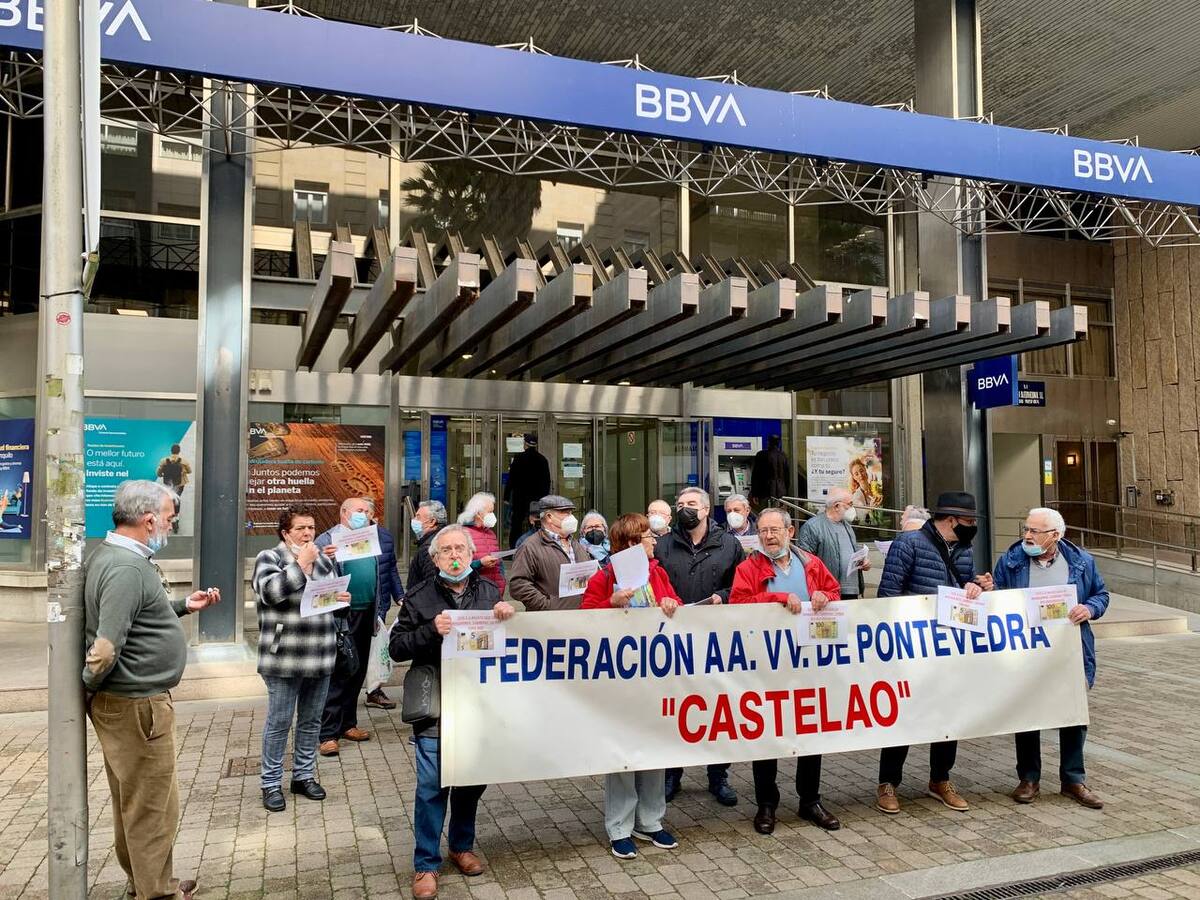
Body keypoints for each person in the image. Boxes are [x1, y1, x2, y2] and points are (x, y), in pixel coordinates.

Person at [82, 480, 220, 900]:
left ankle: (147, 883)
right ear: (148, 520)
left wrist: (180, 606)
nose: (170, 526)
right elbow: (105, 648)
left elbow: (136, 613)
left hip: (129, 703)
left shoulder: (115, 556)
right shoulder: (126, 566)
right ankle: (156, 893)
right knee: (153, 809)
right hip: (137, 706)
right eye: (170, 519)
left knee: (137, 803)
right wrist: (88, 688)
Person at [390, 524, 516, 900]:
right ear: (436, 558)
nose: (456, 555)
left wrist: (509, 616)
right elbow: (396, 648)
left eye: (461, 548)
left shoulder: (490, 591)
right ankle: (425, 864)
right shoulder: (418, 597)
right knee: (432, 786)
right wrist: (431, 630)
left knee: (471, 781)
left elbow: (504, 641)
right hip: (437, 706)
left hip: (477, 704)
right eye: (447, 550)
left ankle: (461, 846)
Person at [874, 490, 993, 815]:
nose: (972, 526)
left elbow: (964, 587)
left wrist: (975, 587)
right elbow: (888, 595)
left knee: (947, 714)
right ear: (951, 519)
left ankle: (940, 779)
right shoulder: (908, 543)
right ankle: (888, 783)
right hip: (912, 649)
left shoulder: (964, 549)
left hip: (948, 648)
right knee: (904, 715)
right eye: (969, 521)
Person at [729, 507, 842, 833]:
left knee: (811, 729)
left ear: (790, 532)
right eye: (763, 530)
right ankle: (766, 804)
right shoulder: (748, 568)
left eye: (775, 530)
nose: (768, 536)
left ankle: (810, 800)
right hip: (767, 664)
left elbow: (834, 592)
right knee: (767, 732)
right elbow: (737, 606)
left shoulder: (812, 563)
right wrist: (776, 596)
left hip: (809, 660)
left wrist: (824, 596)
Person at [993, 507, 1108, 809]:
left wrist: (1090, 609)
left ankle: (1073, 779)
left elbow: (1101, 595)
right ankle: (1029, 778)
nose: (1027, 536)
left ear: (1055, 535)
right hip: (1027, 652)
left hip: (1069, 652)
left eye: (1034, 531)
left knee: (1073, 715)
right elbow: (999, 599)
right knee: (1028, 714)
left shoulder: (1081, 561)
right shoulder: (1011, 561)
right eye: (1026, 529)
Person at [580, 513, 680, 859]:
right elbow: (585, 621)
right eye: (648, 536)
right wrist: (610, 604)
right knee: (622, 753)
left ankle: (650, 821)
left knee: (654, 748)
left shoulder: (659, 574)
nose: (655, 541)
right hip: (619, 682)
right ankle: (620, 826)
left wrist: (672, 604)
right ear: (632, 544)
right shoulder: (604, 577)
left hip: (655, 679)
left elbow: (675, 609)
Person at [252, 504, 344, 813]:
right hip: (284, 656)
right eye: (300, 529)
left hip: (320, 653)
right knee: (279, 722)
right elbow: (271, 593)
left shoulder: (324, 561)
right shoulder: (270, 558)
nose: (308, 534)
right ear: (285, 533)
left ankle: (303, 775)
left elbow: (328, 601)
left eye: (311, 528)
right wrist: (300, 566)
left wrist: (342, 599)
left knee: (311, 720)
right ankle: (271, 782)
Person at [655, 487, 744, 805]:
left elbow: (742, 584)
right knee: (674, 707)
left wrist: (724, 594)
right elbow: (652, 582)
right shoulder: (663, 544)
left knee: (717, 709)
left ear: (706, 509)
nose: (684, 509)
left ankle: (718, 776)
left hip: (715, 638)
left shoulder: (728, 544)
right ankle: (671, 774)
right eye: (680, 505)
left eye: (691, 504)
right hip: (672, 639)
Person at [315, 496, 403, 754]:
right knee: (339, 672)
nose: (363, 515)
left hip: (367, 612)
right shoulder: (326, 540)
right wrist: (324, 558)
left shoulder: (370, 538)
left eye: (366, 511)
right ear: (343, 513)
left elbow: (382, 573)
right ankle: (327, 733)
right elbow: (313, 576)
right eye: (358, 510)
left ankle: (348, 723)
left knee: (357, 670)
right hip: (341, 616)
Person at [508, 495, 590, 611]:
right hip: (549, 621)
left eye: (571, 512)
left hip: (580, 616)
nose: (571, 517)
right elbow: (518, 584)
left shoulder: (576, 545)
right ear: (549, 517)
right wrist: (547, 605)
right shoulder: (530, 547)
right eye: (565, 512)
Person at [796, 488, 869, 599]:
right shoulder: (813, 527)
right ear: (836, 506)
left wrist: (863, 562)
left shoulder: (847, 526)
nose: (852, 508)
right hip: (828, 592)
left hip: (851, 590)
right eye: (849, 504)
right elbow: (805, 562)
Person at [504, 433, 551, 548]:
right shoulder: (542, 459)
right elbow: (547, 481)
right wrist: (544, 499)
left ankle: (513, 550)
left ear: (525, 444)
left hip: (519, 498)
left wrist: (506, 496)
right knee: (535, 523)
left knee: (517, 524)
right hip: (536, 499)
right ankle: (536, 548)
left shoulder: (519, 458)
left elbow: (511, 479)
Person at [458, 491, 505, 596]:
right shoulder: (462, 534)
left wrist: (502, 581)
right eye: (490, 512)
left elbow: (499, 565)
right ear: (478, 513)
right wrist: (479, 563)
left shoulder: (490, 533)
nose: (492, 515)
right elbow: (456, 565)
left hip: (494, 592)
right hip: (473, 594)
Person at [409, 500, 448, 591]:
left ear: (432, 522)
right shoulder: (441, 538)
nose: (414, 520)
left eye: (418, 517)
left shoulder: (430, 548)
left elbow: (431, 585)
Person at [155, 443, 191, 533]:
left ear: (171, 451)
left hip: (168, 483)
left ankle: (170, 516)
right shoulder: (183, 461)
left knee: (170, 499)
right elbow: (189, 471)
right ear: (179, 451)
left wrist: (162, 473)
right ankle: (176, 518)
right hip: (179, 484)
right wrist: (182, 471)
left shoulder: (164, 461)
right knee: (177, 499)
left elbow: (158, 473)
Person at [750, 434, 789, 507]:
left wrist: (754, 493)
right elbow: (787, 477)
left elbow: (756, 476)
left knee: (765, 514)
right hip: (781, 492)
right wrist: (786, 493)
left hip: (765, 492)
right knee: (778, 514)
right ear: (778, 443)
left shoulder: (761, 455)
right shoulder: (783, 456)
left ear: (768, 442)